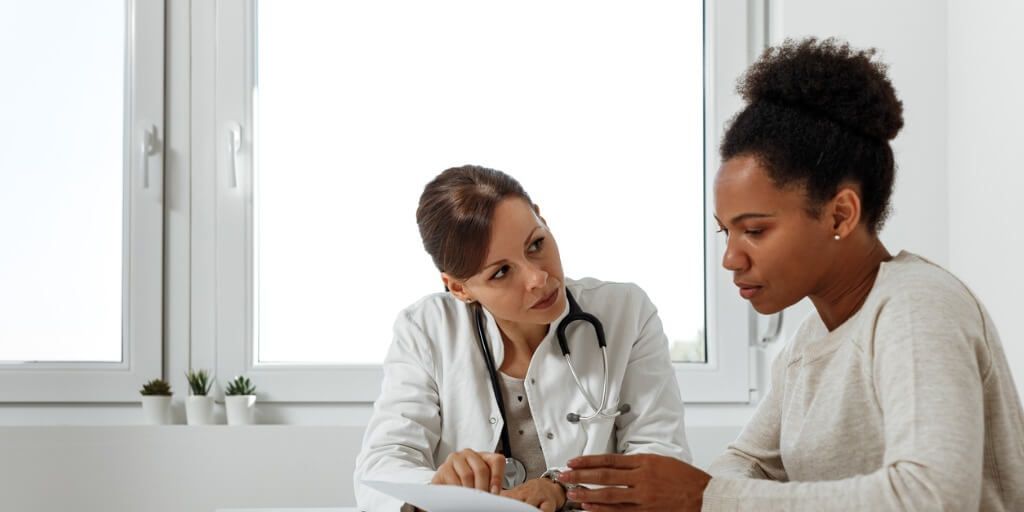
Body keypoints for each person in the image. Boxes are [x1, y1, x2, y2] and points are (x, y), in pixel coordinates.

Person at [558, 37, 1024, 511]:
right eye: (727, 233)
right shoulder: (809, 342)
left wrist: (708, 497)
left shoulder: (916, 308)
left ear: (840, 214)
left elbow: (932, 497)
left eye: (755, 230)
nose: (731, 259)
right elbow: (747, 462)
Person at [353, 165, 691, 511]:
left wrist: (564, 489)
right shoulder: (426, 328)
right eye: (501, 272)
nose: (538, 278)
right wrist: (439, 490)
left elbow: (661, 460)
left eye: (536, 244)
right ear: (459, 288)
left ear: (543, 220)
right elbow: (382, 466)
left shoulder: (625, 312)